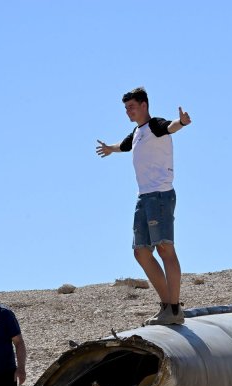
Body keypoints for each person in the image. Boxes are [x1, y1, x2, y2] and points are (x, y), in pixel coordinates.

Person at [96, 87, 192, 326]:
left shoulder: (156, 125)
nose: (128, 111)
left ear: (144, 105)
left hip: (160, 195)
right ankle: (167, 306)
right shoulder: (138, 132)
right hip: (144, 197)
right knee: (140, 251)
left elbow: (170, 127)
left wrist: (181, 122)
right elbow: (125, 145)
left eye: (131, 106)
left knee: (165, 249)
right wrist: (110, 148)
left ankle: (173, 307)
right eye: (126, 108)